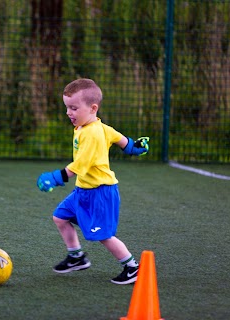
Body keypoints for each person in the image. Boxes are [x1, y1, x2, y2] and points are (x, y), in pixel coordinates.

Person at [36, 78, 149, 285]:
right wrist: (136, 147)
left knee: (104, 235)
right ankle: (76, 257)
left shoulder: (93, 134)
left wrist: (56, 178)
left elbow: (81, 165)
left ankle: (133, 267)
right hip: (83, 191)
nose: (69, 113)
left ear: (92, 108)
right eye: (67, 108)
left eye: (74, 108)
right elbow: (123, 141)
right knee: (60, 217)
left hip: (101, 193)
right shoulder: (95, 127)